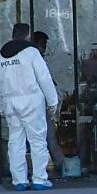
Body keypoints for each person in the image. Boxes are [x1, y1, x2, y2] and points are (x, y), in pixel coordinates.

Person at [0, 24, 58, 191]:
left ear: (13, 35)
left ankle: (19, 180)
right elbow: (44, 78)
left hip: (9, 102)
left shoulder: (0, 57)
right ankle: (39, 178)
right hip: (31, 100)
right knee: (37, 140)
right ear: (28, 36)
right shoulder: (31, 53)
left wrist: (1, 107)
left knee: (15, 140)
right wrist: (53, 101)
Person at [33, 31, 65, 173]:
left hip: (28, 103)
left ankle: (19, 173)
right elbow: (45, 82)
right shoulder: (35, 58)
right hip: (39, 103)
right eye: (43, 43)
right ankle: (60, 164)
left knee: (22, 139)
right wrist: (53, 103)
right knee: (45, 137)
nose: (44, 47)